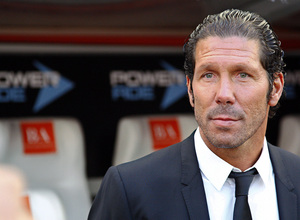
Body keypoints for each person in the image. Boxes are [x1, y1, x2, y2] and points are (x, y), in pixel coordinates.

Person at [88, 9, 300, 220]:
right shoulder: (130, 188)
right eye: (208, 75)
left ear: (275, 89)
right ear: (190, 90)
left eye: (243, 75)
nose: (223, 94)